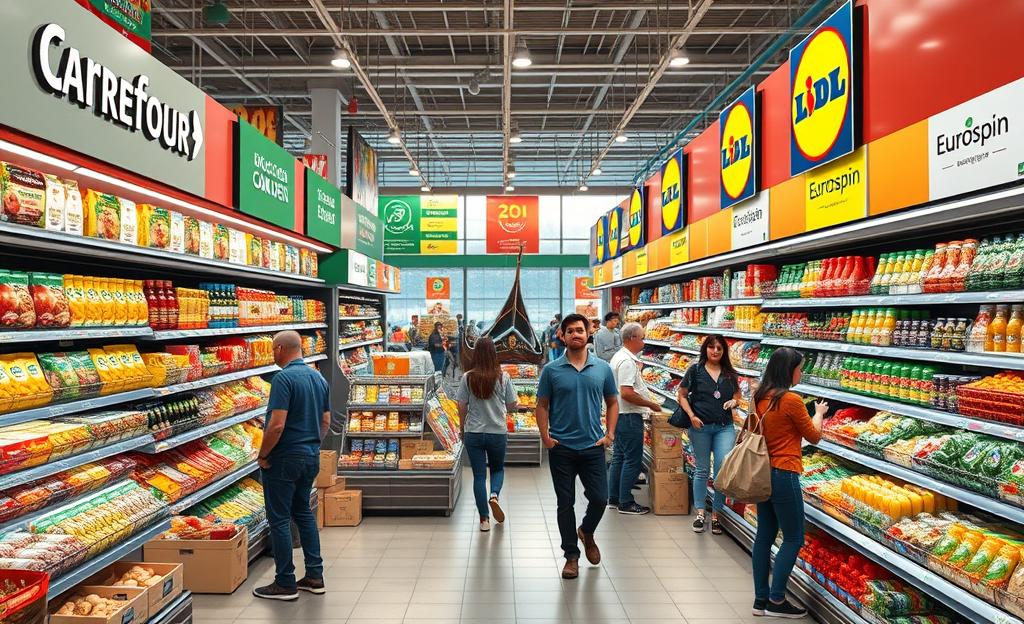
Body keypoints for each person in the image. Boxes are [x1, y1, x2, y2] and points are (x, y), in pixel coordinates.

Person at [537, 313, 619, 580]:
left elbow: (612, 402)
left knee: (600, 498)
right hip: (561, 447)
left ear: (588, 333)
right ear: (562, 336)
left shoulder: (602, 368)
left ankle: (586, 531)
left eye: (580, 330)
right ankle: (571, 556)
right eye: (570, 331)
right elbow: (542, 406)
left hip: (593, 446)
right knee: (565, 502)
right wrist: (545, 437)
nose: (575, 334)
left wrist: (610, 434)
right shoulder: (551, 370)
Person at [750, 347, 827, 619]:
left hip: (762, 473)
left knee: (764, 536)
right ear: (789, 370)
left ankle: (760, 600)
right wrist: (819, 413)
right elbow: (814, 436)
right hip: (784, 473)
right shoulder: (791, 400)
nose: (801, 373)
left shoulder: (759, 396)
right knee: (794, 537)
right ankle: (777, 599)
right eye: (800, 368)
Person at [253, 331, 330, 601]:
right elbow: (325, 421)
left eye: (273, 349)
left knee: (279, 519)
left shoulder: (283, 379)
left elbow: (277, 425)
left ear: (280, 349)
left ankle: (285, 582)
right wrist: (312, 446)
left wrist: (263, 455)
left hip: (284, 458)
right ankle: (314, 576)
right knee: (303, 512)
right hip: (310, 456)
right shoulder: (318, 378)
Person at [676, 334, 743, 535]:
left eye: (719, 348)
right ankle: (700, 512)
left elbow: (738, 397)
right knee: (702, 469)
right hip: (700, 427)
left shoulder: (730, 374)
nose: (715, 351)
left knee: (721, 469)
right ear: (705, 349)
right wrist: (691, 416)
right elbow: (681, 395)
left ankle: (717, 514)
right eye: (711, 347)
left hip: (724, 427)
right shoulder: (695, 371)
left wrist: (735, 402)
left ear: (724, 351)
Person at [457, 336, 518, 532]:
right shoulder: (503, 377)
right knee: (497, 470)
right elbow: (512, 404)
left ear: (475, 354)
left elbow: (461, 405)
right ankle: (494, 496)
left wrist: (462, 428)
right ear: (494, 353)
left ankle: (484, 519)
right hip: (497, 432)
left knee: (479, 476)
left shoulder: (468, 377)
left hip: (474, 432)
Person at [607, 322, 662, 515]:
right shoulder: (627, 361)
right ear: (633, 338)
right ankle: (626, 502)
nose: (644, 342)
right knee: (632, 459)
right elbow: (626, 393)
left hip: (619, 415)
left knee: (619, 457)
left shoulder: (618, 357)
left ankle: (613, 498)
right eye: (643, 338)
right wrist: (651, 404)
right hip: (629, 415)